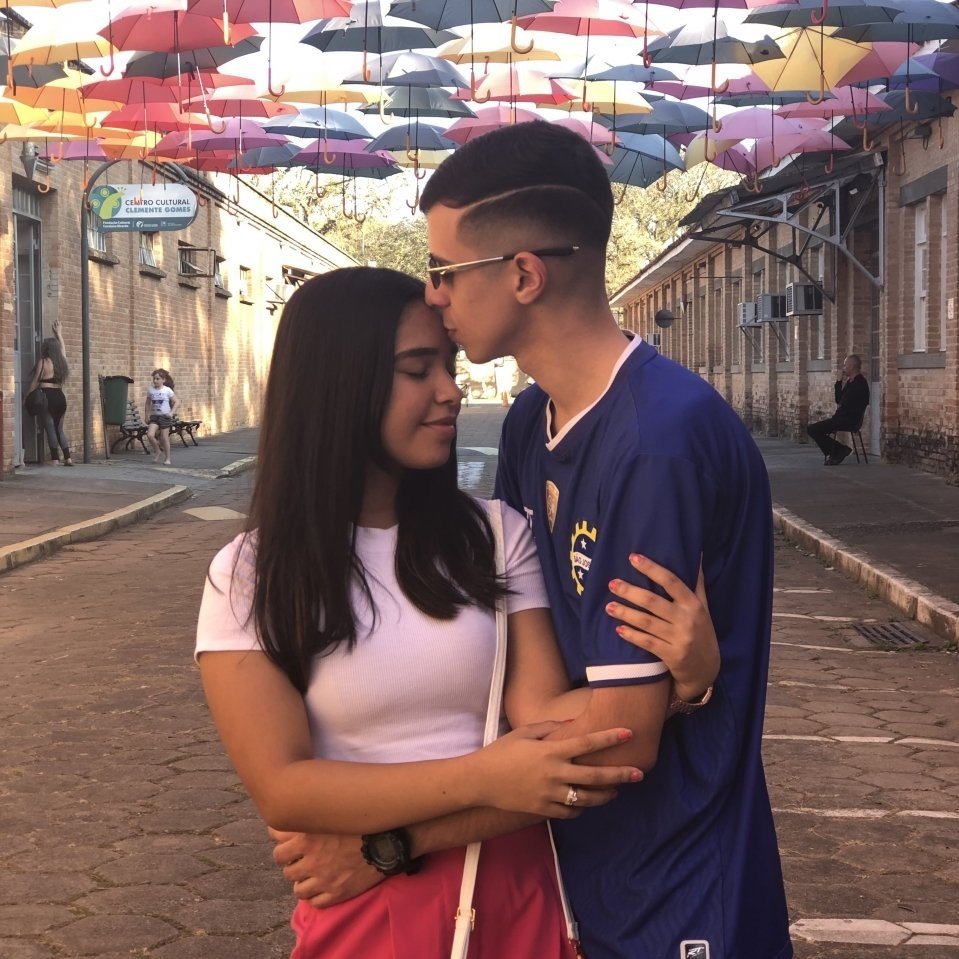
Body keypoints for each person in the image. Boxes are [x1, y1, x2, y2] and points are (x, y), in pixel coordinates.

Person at [278, 122, 790, 959]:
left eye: (443, 269)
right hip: (573, 877)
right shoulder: (528, 424)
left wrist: (390, 844)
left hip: (678, 882)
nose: (432, 295)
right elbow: (529, 690)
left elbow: (618, 744)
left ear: (522, 274)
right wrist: (682, 685)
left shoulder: (656, 440)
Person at [195, 267, 719, 959]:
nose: (451, 389)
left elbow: (544, 716)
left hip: (518, 901)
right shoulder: (249, 574)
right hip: (363, 919)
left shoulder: (496, 535)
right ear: (338, 385)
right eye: (419, 369)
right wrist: (485, 774)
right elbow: (285, 788)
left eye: (447, 364)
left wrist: (678, 684)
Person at [807, 354, 870, 465]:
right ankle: (839, 450)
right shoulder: (850, 382)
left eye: (845, 365)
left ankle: (838, 451)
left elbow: (846, 403)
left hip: (849, 419)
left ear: (851, 367)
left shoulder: (860, 383)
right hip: (840, 418)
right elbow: (838, 399)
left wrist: (838, 415)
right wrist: (839, 382)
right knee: (812, 429)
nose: (843, 368)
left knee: (813, 429)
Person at [26, 318, 73, 466]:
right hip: (60, 397)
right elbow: (63, 349)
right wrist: (59, 333)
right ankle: (68, 458)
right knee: (60, 429)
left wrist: (26, 396)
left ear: (46, 349)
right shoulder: (61, 362)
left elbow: (35, 381)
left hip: (47, 397)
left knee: (50, 428)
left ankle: (55, 459)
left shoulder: (43, 362)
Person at [145, 368, 178, 466]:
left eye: (158, 379)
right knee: (150, 435)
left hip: (165, 417)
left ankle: (167, 458)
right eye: (154, 379)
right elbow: (147, 404)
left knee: (164, 438)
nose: (155, 381)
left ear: (163, 380)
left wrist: (171, 413)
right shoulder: (151, 390)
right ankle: (158, 451)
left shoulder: (167, 390)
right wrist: (146, 416)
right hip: (154, 417)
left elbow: (177, 402)